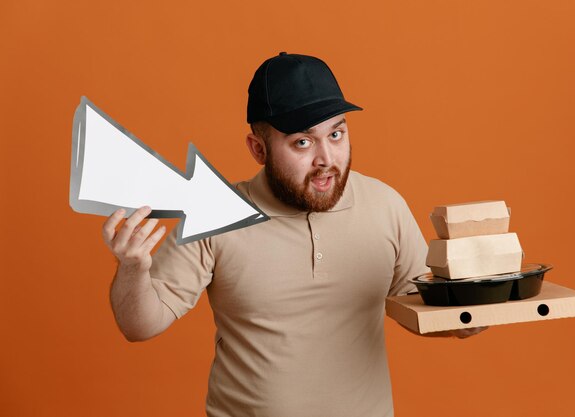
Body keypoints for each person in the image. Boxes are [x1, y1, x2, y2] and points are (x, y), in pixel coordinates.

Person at [102, 52, 486, 417]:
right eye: (302, 142)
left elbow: (427, 312)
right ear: (258, 149)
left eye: (336, 135)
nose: (326, 159)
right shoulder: (216, 215)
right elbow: (140, 326)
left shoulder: (385, 205)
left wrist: (485, 301)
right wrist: (132, 269)